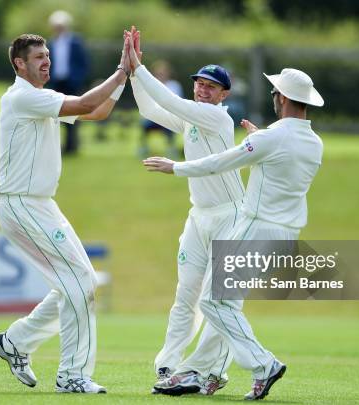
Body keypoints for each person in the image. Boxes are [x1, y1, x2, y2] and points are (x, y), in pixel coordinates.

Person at [143, 67, 325, 400]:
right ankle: (201, 373)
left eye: (274, 94)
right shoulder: (313, 142)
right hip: (286, 234)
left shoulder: (269, 138)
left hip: (255, 227)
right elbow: (280, 164)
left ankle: (262, 364)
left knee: (213, 302)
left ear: (281, 97)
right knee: (223, 304)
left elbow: (219, 162)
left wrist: (175, 167)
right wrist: (260, 141)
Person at [0, 33, 130, 394]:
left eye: (48, 55)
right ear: (19, 64)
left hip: (38, 203)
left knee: (78, 282)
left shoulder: (40, 99)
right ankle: (72, 375)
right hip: (22, 202)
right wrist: (120, 70)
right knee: (80, 283)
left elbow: (97, 112)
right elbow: (85, 104)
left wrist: (125, 77)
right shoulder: (24, 97)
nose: (46, 61)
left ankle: (16, 341)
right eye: (38, 56)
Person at [125, 27, 244, 395]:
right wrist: (132, 72)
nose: (202, 89)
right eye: (199, 83)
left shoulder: (218, 118)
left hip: (231, 216)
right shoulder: (192, 118)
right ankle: (169, 364)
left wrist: (140, 68)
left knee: (216, 300)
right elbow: (149, 108)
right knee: (185, 295)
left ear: (223, 94)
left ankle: (212, 370)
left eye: (211, 86)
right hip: (199, 216)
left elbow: (174, 103)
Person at [46, 10, 90, 155]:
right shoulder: (51, 43)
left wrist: (78, 79)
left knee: (72, 115)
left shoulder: (75, 42)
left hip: (71, 82)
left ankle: (72, 146)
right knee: (55, 115)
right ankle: (58, 146)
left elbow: (84, 63)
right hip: (56, 82)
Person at [137, 60, 183, 158]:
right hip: (153, 118)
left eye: (163, 72)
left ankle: (171, 148)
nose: (161, 75)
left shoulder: (174, 85)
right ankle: (143, 148)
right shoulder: (150, 85)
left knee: (170, 127)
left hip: (168, 118)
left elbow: (177, 103)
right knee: (144, 125)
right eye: (159, 73)